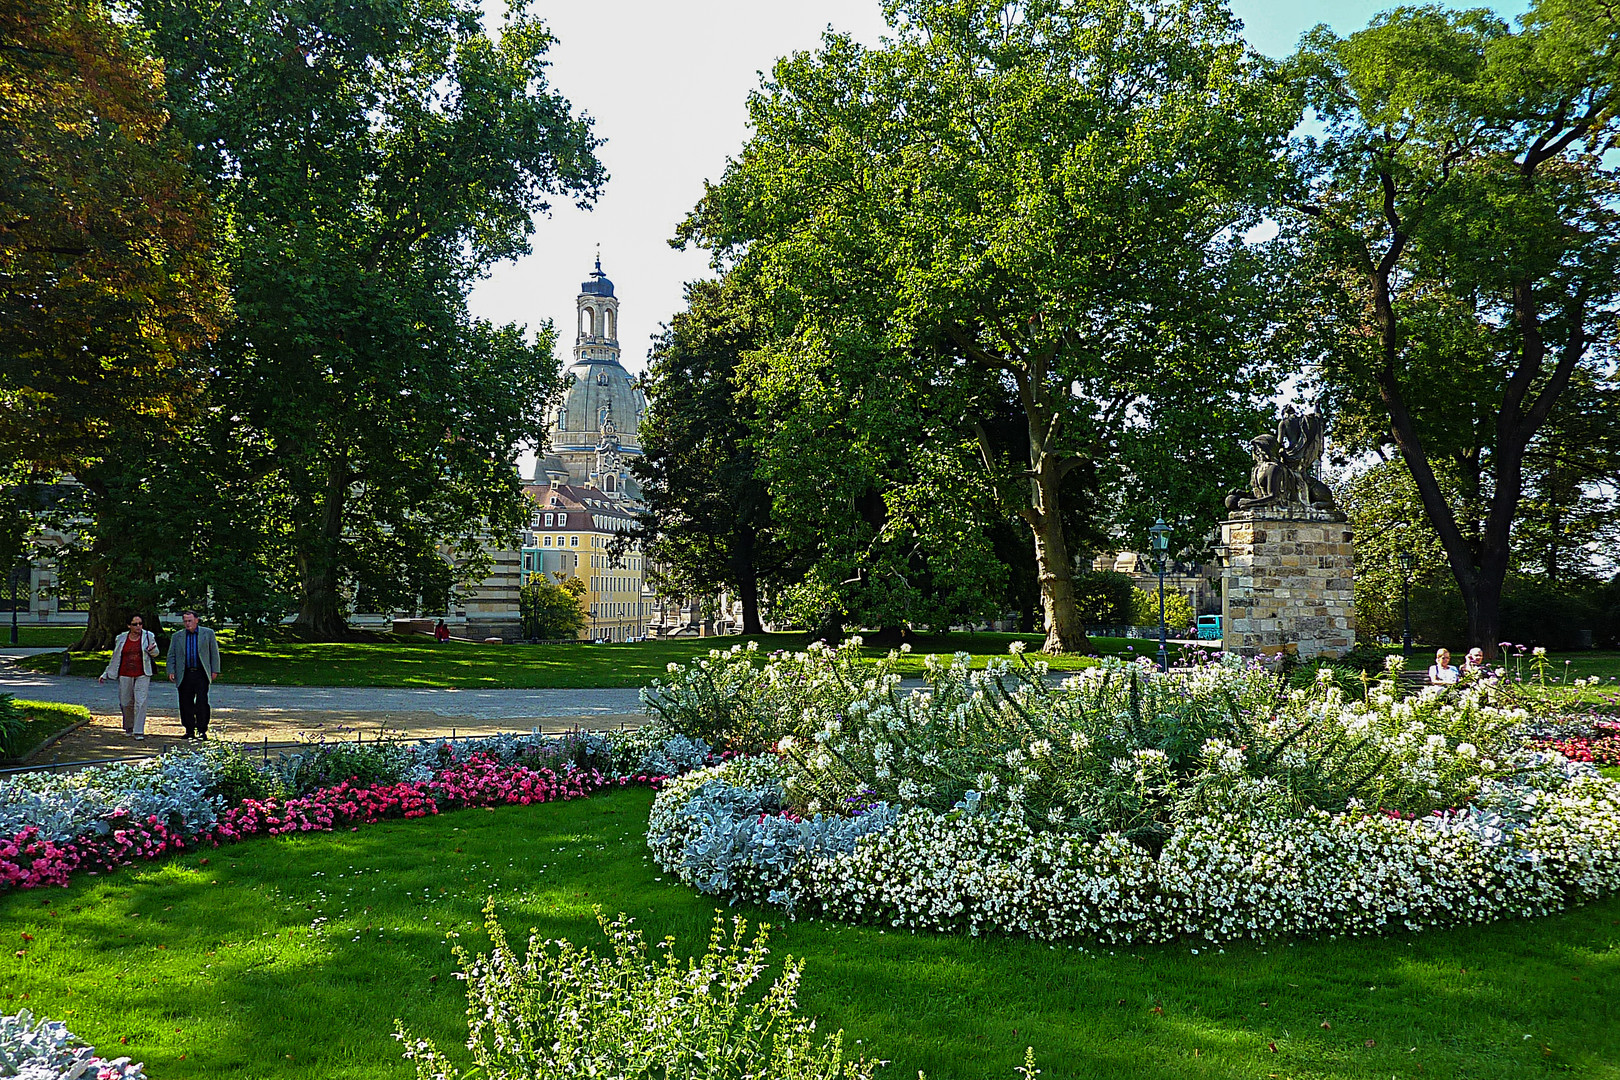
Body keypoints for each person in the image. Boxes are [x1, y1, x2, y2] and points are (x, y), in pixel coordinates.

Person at [98, 614, 158, 738]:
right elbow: (115, 657)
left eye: (140, 623)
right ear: (129, 625)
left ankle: (138, 730)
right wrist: (106, 673)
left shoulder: (148, 635)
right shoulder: (121, 638)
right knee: (125, 702)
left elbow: (156, 653)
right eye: (135, 624)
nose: (138, 626)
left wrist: (151, 650)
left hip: (143, 673)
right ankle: (129, 726)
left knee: (140, 702)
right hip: (125, 673)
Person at [166, 609, 221, 740]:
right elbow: (171, 655)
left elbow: (214, 652)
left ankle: (202, 729)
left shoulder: (208, 633)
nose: (187, 624)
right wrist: (171, 670)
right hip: (184, 673)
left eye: (190, 621)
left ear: (196, 620)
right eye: (185, 621)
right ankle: (189, 729)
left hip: (201, 672)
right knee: (185, 703)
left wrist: (215, 670)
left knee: (202, 702)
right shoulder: (177, 636)